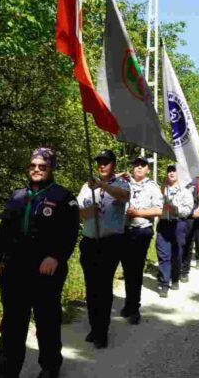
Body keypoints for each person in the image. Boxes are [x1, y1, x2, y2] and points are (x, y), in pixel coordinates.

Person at [0, 148, 80, 378]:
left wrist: (55, 257)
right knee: (12, 325)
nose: (37, 170)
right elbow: (4, 231)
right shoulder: (17, 196)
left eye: (42, 166)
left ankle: (50, 367)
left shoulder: (64, 197)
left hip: (46, 272)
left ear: (51, 168)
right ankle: (6, 371)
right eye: (33, 166)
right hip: (15, 271)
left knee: (47, 322)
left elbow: (69, 234)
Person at [77, 149, 131, 349]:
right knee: (91, 288)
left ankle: (102, 331)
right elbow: (77, 211)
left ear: (113, 165)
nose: (102, 165)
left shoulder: (120, 184)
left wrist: (102, 185)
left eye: (106, 162)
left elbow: (124, 196)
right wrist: (86, 211)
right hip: (89, 242)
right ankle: (94, 327)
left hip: (110, 243)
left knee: (103, 287)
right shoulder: (86, 186)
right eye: (99, 161)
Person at [120, 157, 163, 324]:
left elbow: (159, 209)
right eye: (135, 165)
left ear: (147, 169)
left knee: (135, 270)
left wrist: (138, 213)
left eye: (142, 165)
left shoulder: (152, 187)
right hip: (123, 230)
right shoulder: (124, 183)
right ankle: (129, 303)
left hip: (141, 231)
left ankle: (134, 309)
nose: (138, 168)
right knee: (126, 269)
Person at [157, 164, 193, 297]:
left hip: (178, 224)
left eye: (174, 171)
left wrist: (176, 210)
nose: (171, 173)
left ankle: (175, 278)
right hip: (163, 223)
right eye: (169, 171)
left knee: (176, 253)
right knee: (163, 254)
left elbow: (188, 209)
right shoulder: (162, 189)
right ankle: (164, 283)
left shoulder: (185, 191)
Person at [181, 176, 199, 281]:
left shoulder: (197, 180)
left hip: (193, 216)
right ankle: (179, 268)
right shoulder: (179, 178)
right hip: (180, 215)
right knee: (181, 243)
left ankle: (186, 270)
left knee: (194, 242)